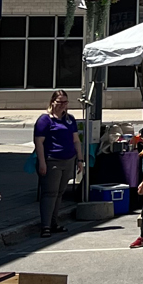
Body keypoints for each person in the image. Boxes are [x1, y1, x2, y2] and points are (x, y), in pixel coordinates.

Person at [34, 88, 84, 237]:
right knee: (50, 193)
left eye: (65, 102)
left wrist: (80, 159)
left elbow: (76, 140)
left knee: (59, 193)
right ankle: (45, 226)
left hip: (68, 160)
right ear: (52, 102)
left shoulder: (70, 119)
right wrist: (42, 162)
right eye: (60, 102)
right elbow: (39, 142)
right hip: (52, 161)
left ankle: (54, 222)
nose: (63, 105)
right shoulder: (45, 120)